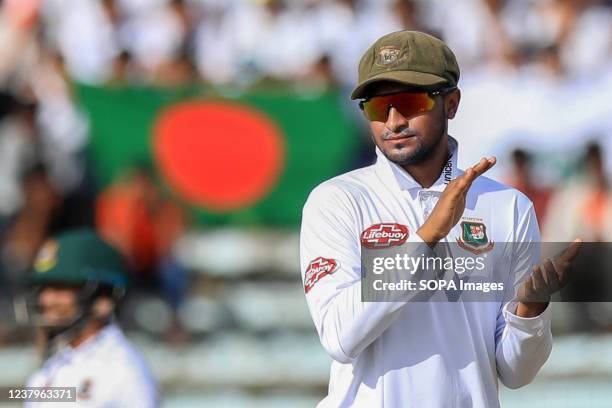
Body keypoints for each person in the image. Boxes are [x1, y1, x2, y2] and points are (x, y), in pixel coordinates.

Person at [300, 30, 579, 407]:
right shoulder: (338, 200)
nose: (394, 121)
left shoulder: (507, 206)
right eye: (377, 107)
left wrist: (529, 313)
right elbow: (340, 336)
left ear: (451, 103)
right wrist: (430, 233)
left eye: (409, 101)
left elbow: (515, 372)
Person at [19, 228, 159, 407]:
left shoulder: (123, 371)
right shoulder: (53, 365)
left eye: (61, 287)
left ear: (104, 299)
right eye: (44, 288)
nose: (45, 299)